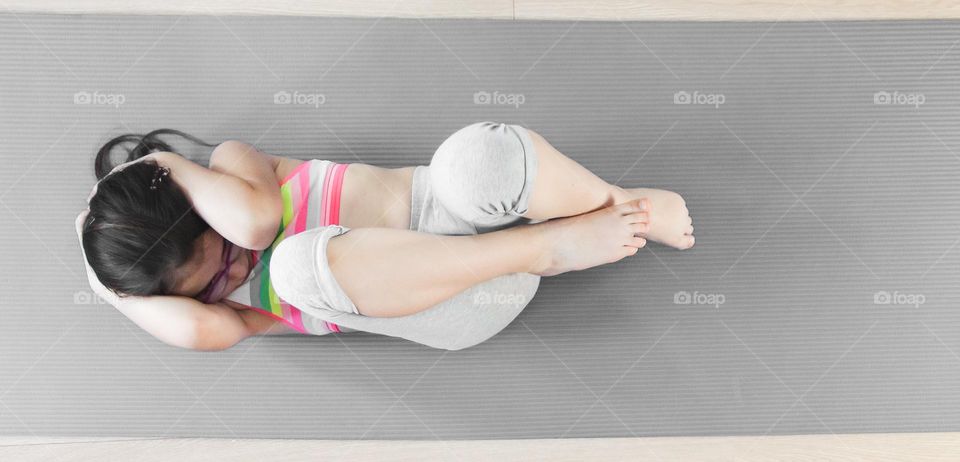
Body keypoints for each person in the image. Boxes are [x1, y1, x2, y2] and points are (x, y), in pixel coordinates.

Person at [76, 122, 694, 351]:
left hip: (453, 213)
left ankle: (623, 205)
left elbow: (255, 223)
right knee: (292, 266)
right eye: (215, 282)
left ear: (200, 193)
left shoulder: (241, 168)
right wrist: (112, 291)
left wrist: (169, 165)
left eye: (224, 246)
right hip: (467, 300)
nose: (239, 266)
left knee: (469, 155)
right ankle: (547, 248)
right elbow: (198, 333)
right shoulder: (206, 310)